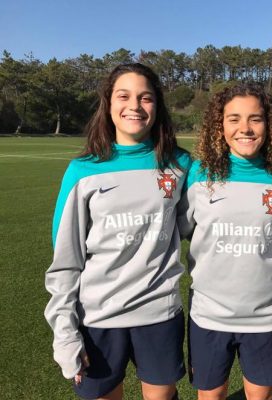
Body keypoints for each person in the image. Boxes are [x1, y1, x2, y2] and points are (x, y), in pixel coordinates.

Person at [44, 63, 191, 400]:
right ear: (108, 103)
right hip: (98, 317)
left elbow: (198, 224)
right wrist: (64, 331)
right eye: (124, 96)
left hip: (159, 313)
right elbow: (65, 261)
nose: (135, 106)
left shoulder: (181, 165)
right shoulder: (82, 171)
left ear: (158, 105)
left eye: (145, 97)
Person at [179, 82, 272, 400]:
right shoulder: (199, 173)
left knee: (261, 395)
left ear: (269, 125)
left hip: (263, 314)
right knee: (211, 395)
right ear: (220, 125)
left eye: (255, 119)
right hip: (208, 313)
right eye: (234, 119)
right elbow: (182, 229)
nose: (245, 128)